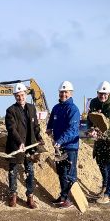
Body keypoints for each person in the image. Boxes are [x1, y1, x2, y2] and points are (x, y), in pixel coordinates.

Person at [5, 82, 44, 209]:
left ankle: (30, 197)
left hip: (30, 146)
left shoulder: (32, 108)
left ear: (25, 94)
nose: (20, 98)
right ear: (15, 96)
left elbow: (36, 126)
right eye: (17, 96)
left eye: (22, 95)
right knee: (13, 171)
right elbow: (12, 129)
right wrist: (19, 142)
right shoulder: (11, 110)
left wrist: (39, 138)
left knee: (30, 171)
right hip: (16, 146)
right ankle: (13, 196)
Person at [46, 81, 80, 209]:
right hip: (58, 147)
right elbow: (51, 123)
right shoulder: (56, 108)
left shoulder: (73, 109)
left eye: (65, 92)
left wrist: (60, 141)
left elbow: (72, 130)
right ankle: (63, 197)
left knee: (69, 173)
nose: (63, 94)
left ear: (71, 93)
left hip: (70, 147)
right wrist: (49, 130)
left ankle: (69, 199)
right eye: (61, 92)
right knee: (61, 173)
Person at [87, 81, 110, 204]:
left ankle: (108, 194)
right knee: (101, 163)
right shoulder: (94, 102)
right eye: (100, 94)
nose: (102, 96)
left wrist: (98, 130)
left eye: (104, 94)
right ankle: (105, 186)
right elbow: (90, 118)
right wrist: (91, 129)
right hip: (100, 140)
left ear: (109, 93)